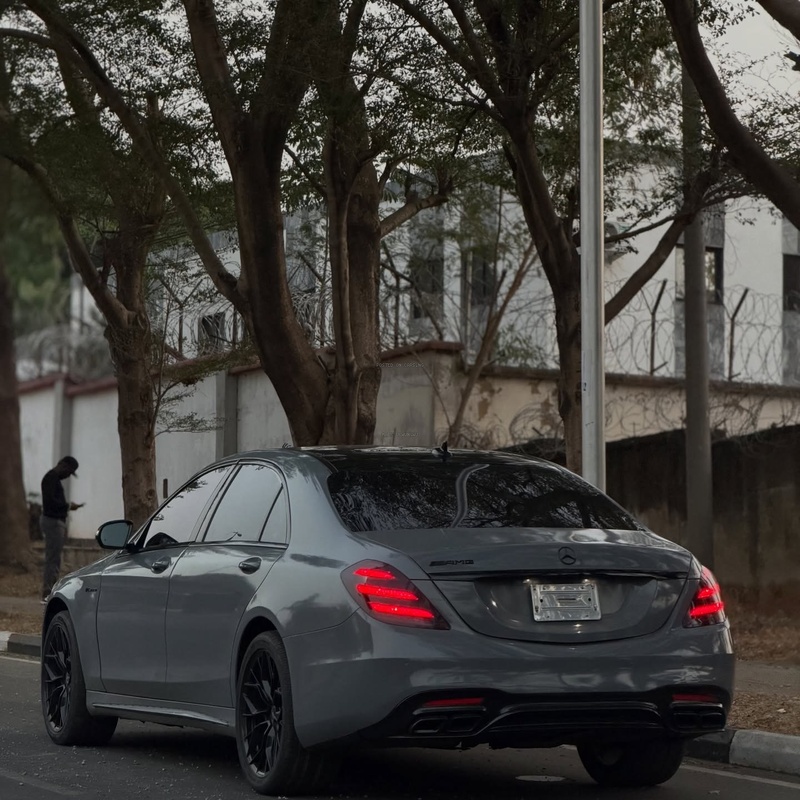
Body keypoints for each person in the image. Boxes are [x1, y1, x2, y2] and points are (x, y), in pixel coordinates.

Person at [40, 456, 84, 602]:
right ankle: (47, 593)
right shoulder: (50, 478)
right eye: (69, 472)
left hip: (55, 522)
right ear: (63, 466)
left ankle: (50, 591)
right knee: (52, 559)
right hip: (52, 522)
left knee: (54, 559)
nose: (68, 476)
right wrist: (68, 506)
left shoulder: (54, 479)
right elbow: (51, 502)